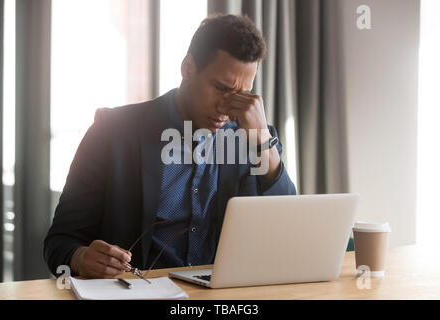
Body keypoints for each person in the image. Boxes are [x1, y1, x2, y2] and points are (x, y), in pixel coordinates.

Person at [43, 14, 297, 279]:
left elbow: (285, 227)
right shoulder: (112, 131)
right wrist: (81, 257)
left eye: (242, 94)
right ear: (188, 68)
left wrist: (263, 141)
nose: (228, 108)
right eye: (222, 88)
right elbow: (59, 241)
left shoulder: (252, 140)